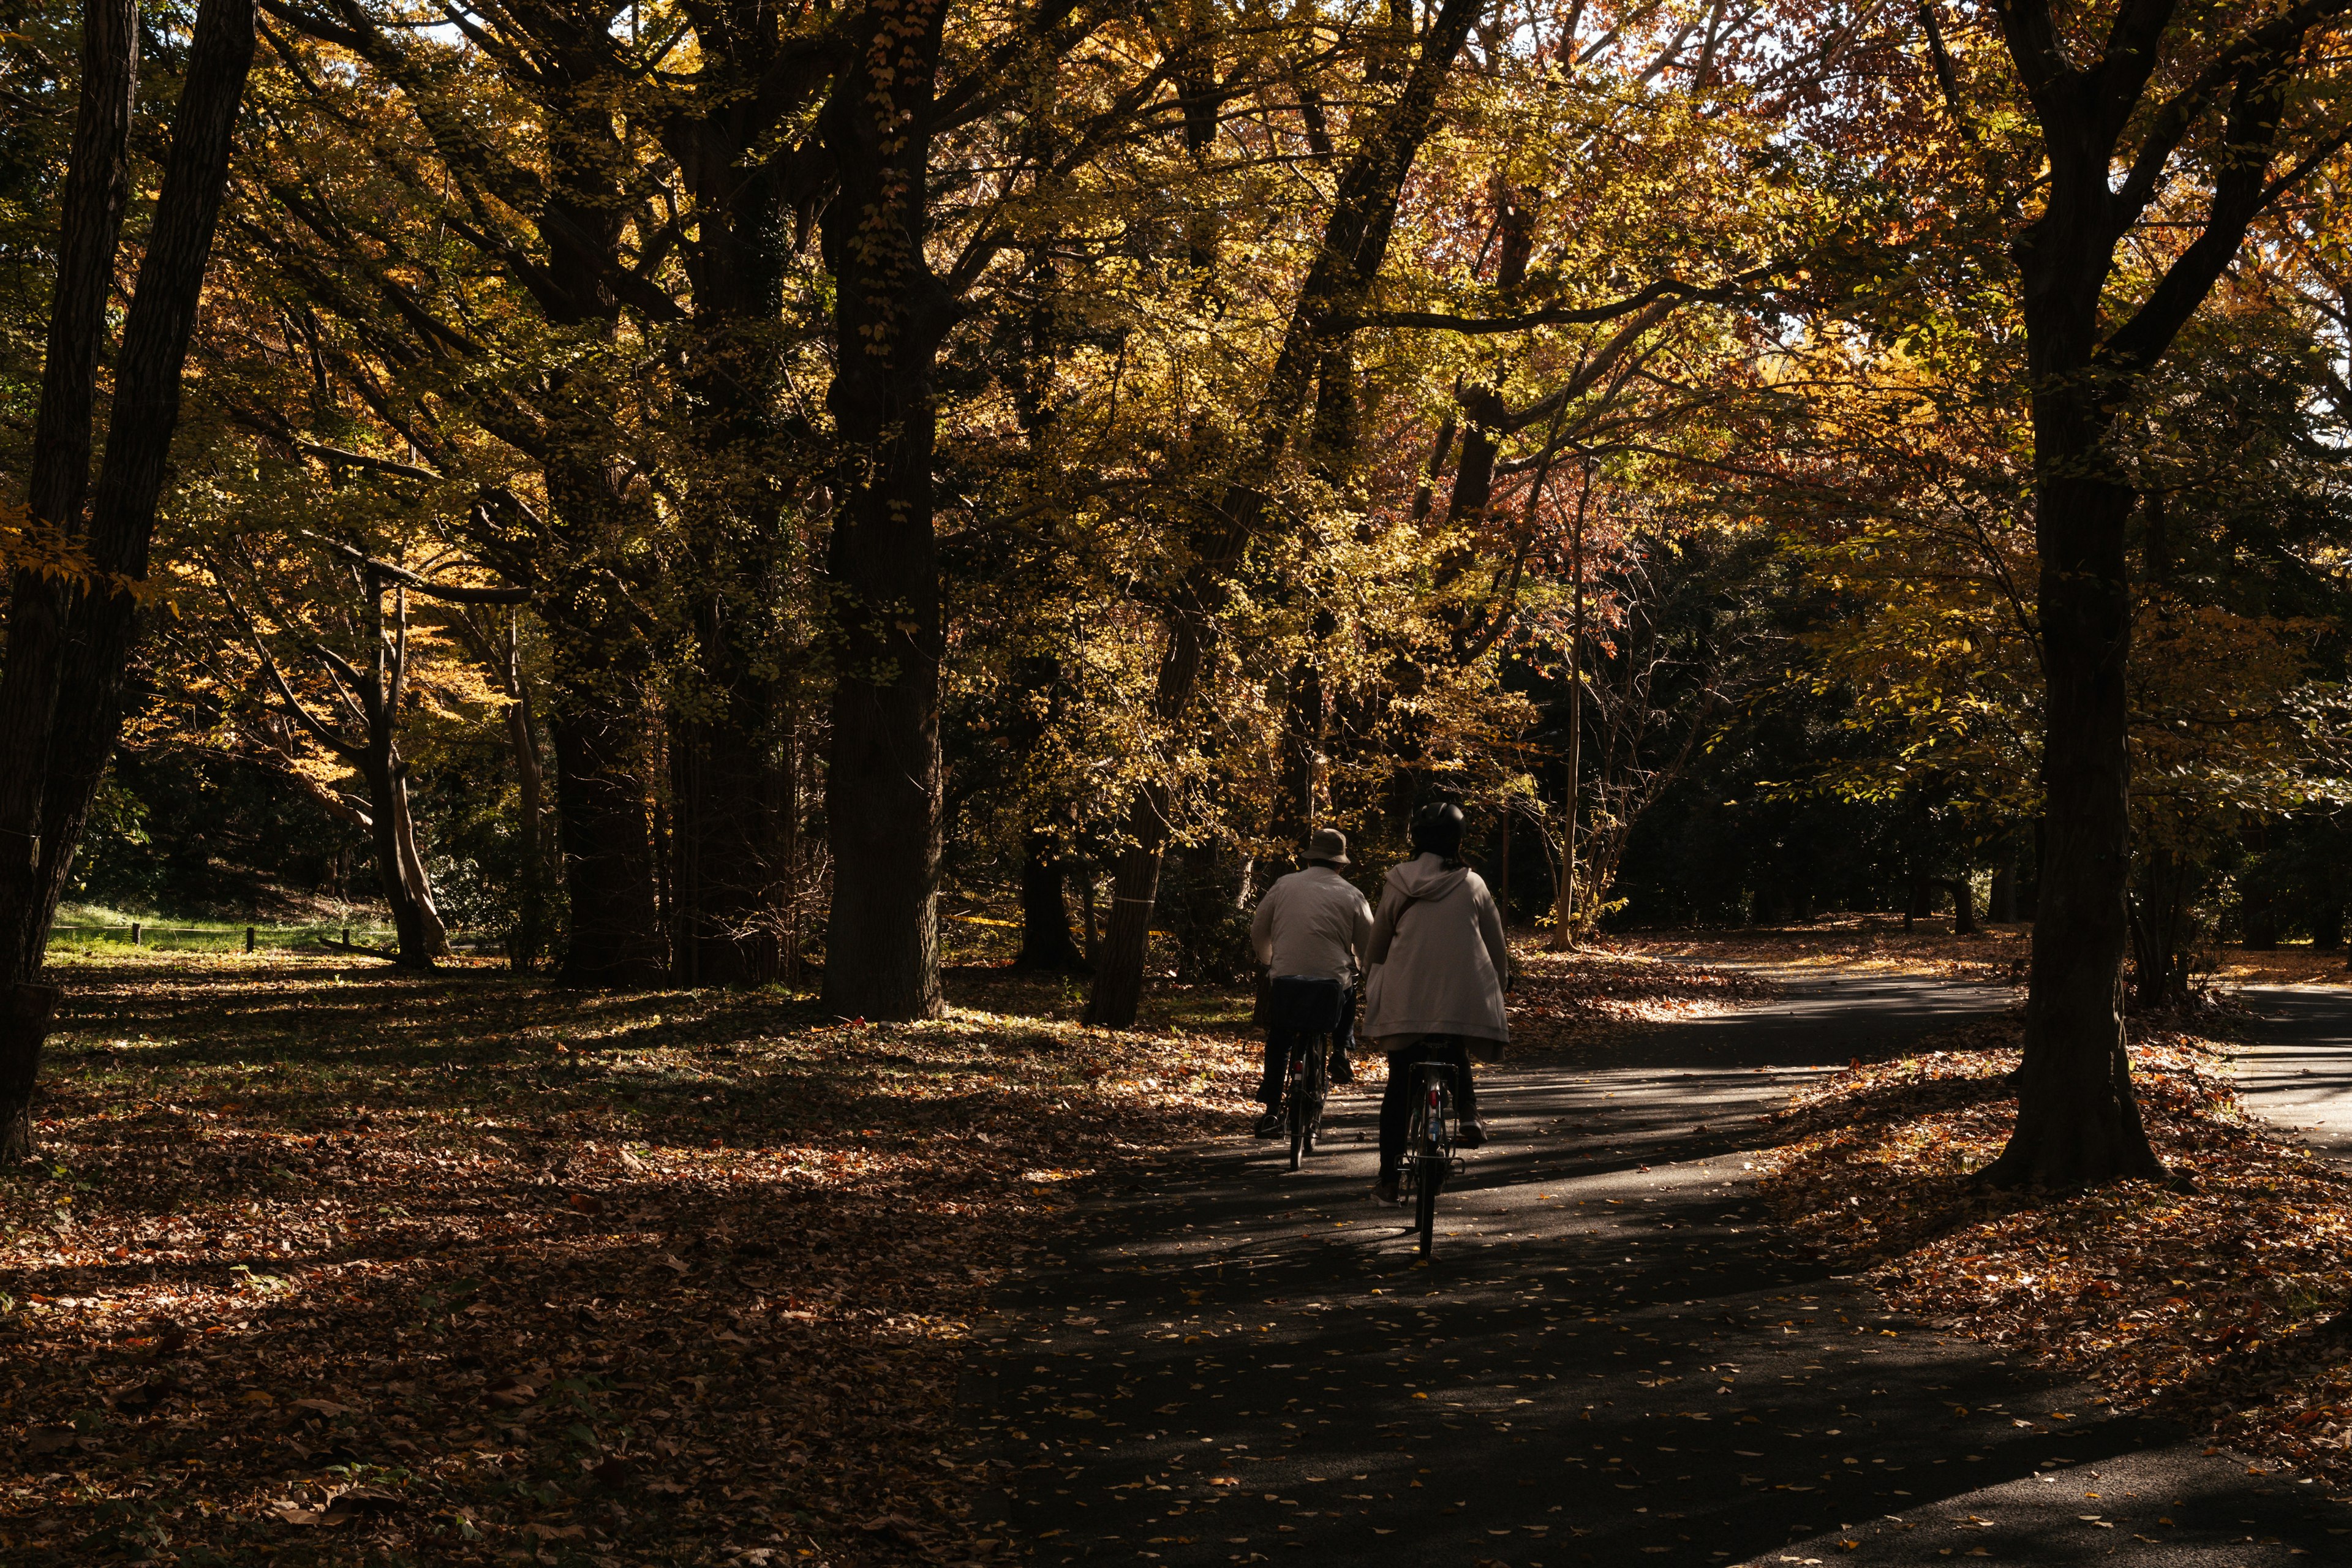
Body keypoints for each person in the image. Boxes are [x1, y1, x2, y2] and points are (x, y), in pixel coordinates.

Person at [1362, 801, 1509, 1204]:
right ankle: (1470, 1114)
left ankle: (1389, 1180)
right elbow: (1496, 949)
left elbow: (1375, 948)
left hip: (1405, 1002)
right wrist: (1500, 984)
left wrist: (1368, 981)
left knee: (1398, 1086)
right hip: (1459, 1001)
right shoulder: (1473, 884)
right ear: (1458, 840)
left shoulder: (1398, 882)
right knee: (1454, 1046)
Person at [1247, 827, 1374, 1137]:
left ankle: (1272, 1111)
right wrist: (1362, 967)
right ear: (1340, 864)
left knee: (1280, 1039)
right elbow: (1367, 944)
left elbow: (1259, 929)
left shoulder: (1283, 885)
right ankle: (1342, 1051)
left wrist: (1270, 961)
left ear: (1308, 859)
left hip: (1286, 978)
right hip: (1330, 984)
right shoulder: (1352, 894)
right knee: (1347, 987)